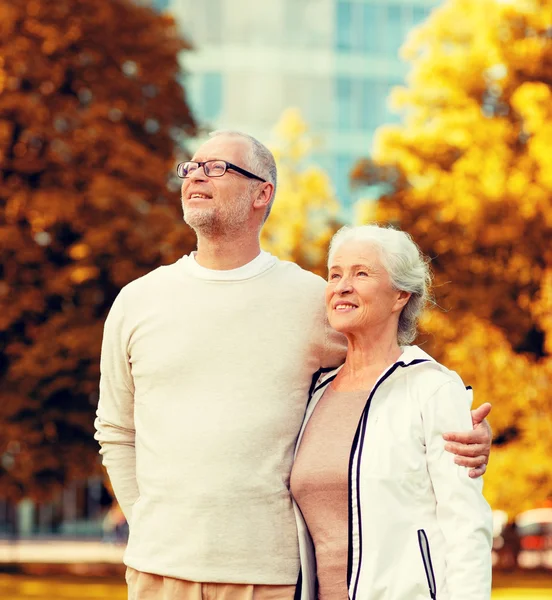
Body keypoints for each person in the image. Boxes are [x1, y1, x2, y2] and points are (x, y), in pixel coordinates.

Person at [94, 131, 492, 600]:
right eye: (192, 166)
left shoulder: (310, 299)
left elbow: (383, 370)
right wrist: (149, 524)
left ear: (262, 193)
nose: (197, 174)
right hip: (156, 571)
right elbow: (116, 430)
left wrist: (460, 431)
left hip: (272, 577)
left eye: (218, 167)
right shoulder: (137, 301)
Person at [290, 225, 493, 600]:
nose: (342, 286)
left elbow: (467, 526)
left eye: (361, 273)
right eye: (335, 274)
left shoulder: (432, 389)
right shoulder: (312, 392)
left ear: (401, 293)